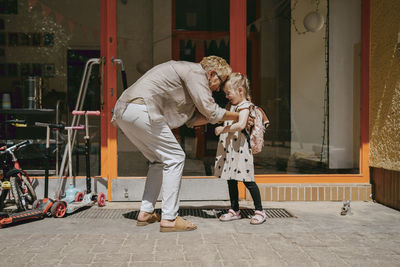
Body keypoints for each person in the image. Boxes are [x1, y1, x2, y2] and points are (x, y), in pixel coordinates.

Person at [111, 56, 240, 232]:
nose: (219, 88)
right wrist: (239, 116)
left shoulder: (189, 77)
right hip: (142, 109)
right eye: (221, 81)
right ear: (211, 73)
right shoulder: (196, 73)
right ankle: (170, 218)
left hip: (125, 111)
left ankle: (146, 213)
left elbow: (193, 120)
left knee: (158, 161)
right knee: (176, 157)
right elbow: (211, 111)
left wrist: (221, 117)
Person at [214, 73, 267, 225]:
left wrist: (222, 130)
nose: (227, 96)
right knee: (231, 179)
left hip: (241, 149)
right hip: (231, 149)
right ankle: (234, 209)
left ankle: (259, 211)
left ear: (240, 90)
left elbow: (242, 124)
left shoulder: (244, 106)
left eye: (229, 93)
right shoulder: (232, 106)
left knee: (248, 180)